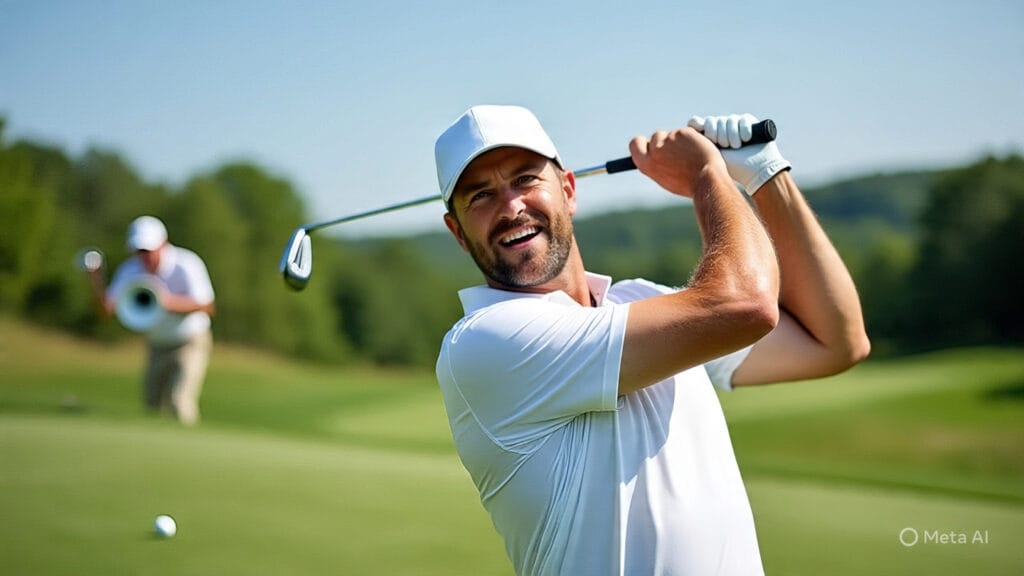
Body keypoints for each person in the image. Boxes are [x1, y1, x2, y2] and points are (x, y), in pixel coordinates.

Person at [433, 105, 870, 575]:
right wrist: (707, 173)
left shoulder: (642, 301)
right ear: (457, 233)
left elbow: (836, 341)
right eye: (481, 195)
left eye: (525, 179)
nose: (511, 206)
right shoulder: (485, 342)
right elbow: (745, 306)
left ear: (568, 189)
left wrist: (766, 174)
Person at [84, 215, 216, 426]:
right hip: (157, 344)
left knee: (179, 401)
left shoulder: (187, 263)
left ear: (163, 243)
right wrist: (95, 280)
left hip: (190, 341)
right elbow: (107, 311)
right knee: (151, 406)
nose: (143, 256)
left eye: (147, 250)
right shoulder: (130, 269)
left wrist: (167, 302)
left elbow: (208, 306)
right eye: (139, 251)